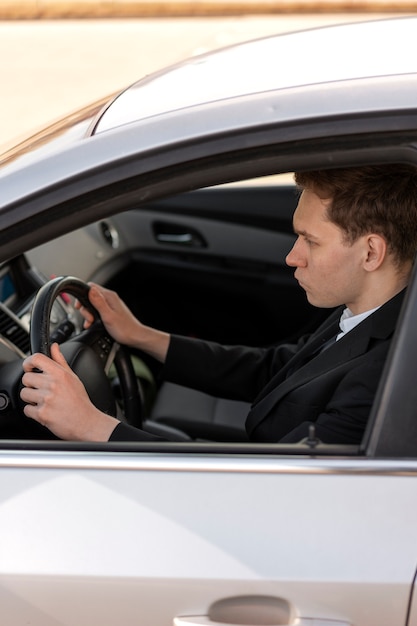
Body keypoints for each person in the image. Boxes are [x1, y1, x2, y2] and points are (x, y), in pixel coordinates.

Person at [20, 164, 417, 444]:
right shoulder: (367, 313)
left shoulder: (389, 378)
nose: (292, 257)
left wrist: (91, 426)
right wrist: (142, 337)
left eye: (310, 241)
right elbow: (275, 369)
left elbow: (269, 494)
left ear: (370, 253)